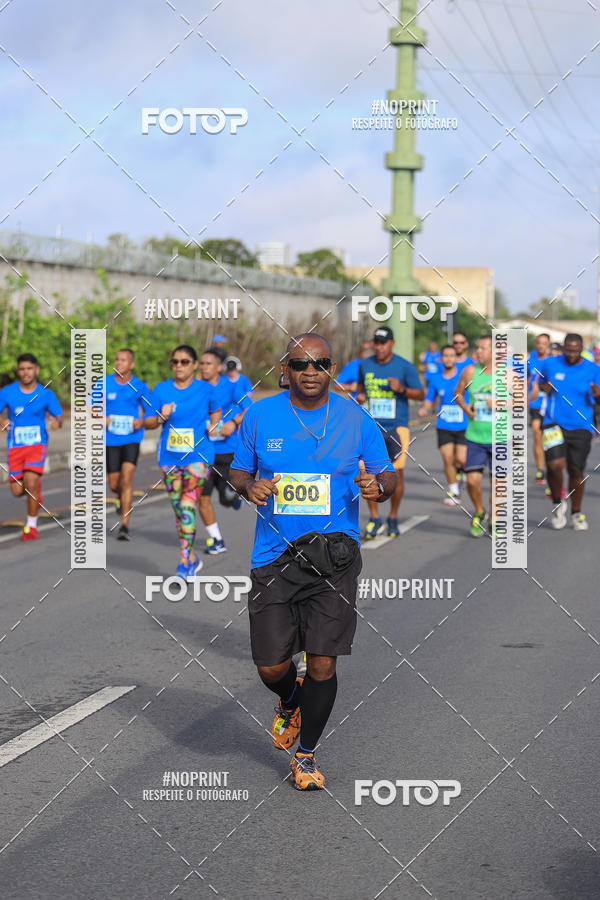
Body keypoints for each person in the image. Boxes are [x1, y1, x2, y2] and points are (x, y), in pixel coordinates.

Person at [230, 333, 396, 791]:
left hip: (335, 556)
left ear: (332, 369)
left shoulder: (355, 417)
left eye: (320, 363)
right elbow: (239, 470)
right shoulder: (261, 415)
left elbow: (387, 471)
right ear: (285, 369)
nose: (310, 371)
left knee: (323, 663)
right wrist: (250, 488)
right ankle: (290, 699)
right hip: (275, 557)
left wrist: (378, 487)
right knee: (270, 666)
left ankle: (305, 755)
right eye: (301, 363)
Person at [144, 345, 221, 579]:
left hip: (199, 456)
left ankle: (183, 561)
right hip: (170, 459)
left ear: (194, 364)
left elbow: (216, 411)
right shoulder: (161, 389)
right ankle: (193, 559)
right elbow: (147, 422)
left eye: (184, 361)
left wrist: (214, 426)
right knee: (180, 511)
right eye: (175, 361)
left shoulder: (206, 389)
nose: (179, 365)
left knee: (188, 505)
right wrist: (160, 416)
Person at [356, 326, 424, 539]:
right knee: (367, 472)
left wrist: (402, 389)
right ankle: (375, 517)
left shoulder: (404, 367)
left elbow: (421, 394)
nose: (379, 347)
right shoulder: (365, 365)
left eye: (383, 343)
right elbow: (360, 389)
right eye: (376, 342)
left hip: (397, 426)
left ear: (392, 344)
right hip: (371, 426)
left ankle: (393, 516)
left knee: (395, 473)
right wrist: (358, 397)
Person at [537, 333, 600, 530]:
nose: (571, 354)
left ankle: (576, 512)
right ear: (563, 348)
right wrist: (542, 387)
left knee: (575, 469)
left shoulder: (593, 369)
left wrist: (598, 395)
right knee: (554, 465)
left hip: (581, 426)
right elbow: (538, 382)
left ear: (582, 349)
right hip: (553, 422)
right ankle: (557, 503)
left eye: (576, 351)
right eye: (568, 350)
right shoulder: (550, 363)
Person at [0, 353, 62, 540]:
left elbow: (59, 417)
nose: (26, 372)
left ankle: (31, 527)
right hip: (15, 446)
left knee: (31, 482)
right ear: (18, 371)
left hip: (37, 445)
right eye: (22, 369)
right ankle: (35, 492)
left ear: (36, 370)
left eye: (29, 368)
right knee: (18, 491)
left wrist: (56, 423)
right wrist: (2, 421)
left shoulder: (46, 394)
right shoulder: (7, 392)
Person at [198, 349, 252, 554]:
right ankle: (217, 539)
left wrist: (233, 423)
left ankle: (234, 498)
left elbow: (250, 408)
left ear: (219, 367)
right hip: (202, 452)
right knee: (202, 498)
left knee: (227, 499)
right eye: (201, 363)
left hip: (227, 450)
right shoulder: (195, 389)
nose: (204, 367)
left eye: (208, 364)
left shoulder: (230, 388)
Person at [455, 335, 507, 537]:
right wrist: (467, 410)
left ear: (494, 351)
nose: (478, 352)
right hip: (475, 437)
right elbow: (458, 393)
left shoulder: (507, 375)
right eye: (477, 348)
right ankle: (479, 510)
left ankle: (495, 520)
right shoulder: (470, 371)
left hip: (501, 437)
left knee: (498, 483)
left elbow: (522, 402)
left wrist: (501, 404)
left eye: (482, 348)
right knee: (472, 481)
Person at [102, 349, 151, 541]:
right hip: (111, 439)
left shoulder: (139, 386)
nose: (119, 363)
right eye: (117, 359)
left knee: (128, 479)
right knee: (115, 484)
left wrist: (142, 421)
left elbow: (150, 410)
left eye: (124, 360)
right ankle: (119, 497)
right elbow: (91, 405)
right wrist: (101, 416)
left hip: (132, 438)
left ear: (131, 364)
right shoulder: (104, 383)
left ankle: (124, 525)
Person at [418, 344, 467, 505]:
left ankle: (463, 472)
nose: (448, 358)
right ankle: (454, 491)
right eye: (445, 355)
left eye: (451, 356)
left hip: (463, 425)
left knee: (461, 459)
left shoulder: (463, 376)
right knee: (447, 458)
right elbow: (429, 399)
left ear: (455, 358)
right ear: (441, 359)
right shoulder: (435, 379)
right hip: (444, 425)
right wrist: (424, 409)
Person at [527, 334, 551, 486]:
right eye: (539, 343)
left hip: (549, 405)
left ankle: (551, 466)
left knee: (548, 438)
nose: (541, 346)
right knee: (537, 434)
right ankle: (540, 469)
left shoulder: (553, 361)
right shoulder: (530, 359)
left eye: (544, 343)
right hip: (535, 404)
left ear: (548, 345)